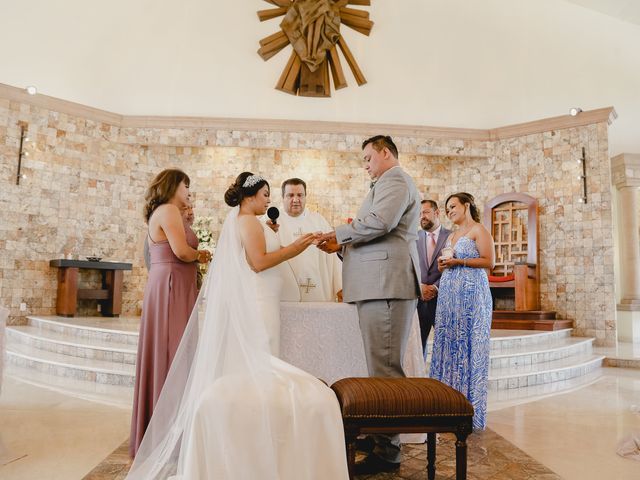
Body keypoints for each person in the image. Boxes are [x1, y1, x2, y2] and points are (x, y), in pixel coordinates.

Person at [125, 172, 349, 480]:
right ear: (251, 196)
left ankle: (260, 434)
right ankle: (256, 439)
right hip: (258, 303)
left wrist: (275, 234)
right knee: (258, 370)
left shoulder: (253, 222)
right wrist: (297, 246)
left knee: (261, 371)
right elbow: (258, 262)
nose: (270, 200)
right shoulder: (246, 222)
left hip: (266, 300)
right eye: (266, 194)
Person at [317, 135, 421, 474]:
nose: (365, 166)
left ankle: (387, 452)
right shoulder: (384, 182)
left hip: (386, 285)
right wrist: (341, 247)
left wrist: (338, 235)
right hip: (376, 285)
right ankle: (380, 435)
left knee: (386, 371)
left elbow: (380, 223)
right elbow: (375, 232)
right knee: (379, 367)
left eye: (368, 158)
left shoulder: (396, 180)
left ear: (386, 153)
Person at [129, 169, 211, 458]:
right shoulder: (167, 210)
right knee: (173, 353)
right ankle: (168, 433)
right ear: (172, 186)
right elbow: (182, 252)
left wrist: (188, 223)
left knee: (176, 353)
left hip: (175, 285)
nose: (188, 189)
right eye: (185, 184)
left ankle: (169, 426)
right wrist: (205, 255)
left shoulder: (172, 212)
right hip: (171, 287)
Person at [429, 192, 494, 431]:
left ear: (466, 206)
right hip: (449, 296)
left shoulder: (478, 230)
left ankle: (470, 411)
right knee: (449, 345)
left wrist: (460, 262)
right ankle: (446, 407)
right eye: (447, 209)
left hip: (472, 294)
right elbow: (448, 262)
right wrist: (443, 265)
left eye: (453, 206)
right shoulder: (452, 236)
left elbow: (489, 261)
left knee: (469, 346)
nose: (450, 211)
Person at [275, 178, 342, 302]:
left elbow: (334, 260)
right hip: (284, 293)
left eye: (300, 195)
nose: (295, 200)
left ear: (306, 196)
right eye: (290, 195)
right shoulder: (273, 223)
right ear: (282, 197)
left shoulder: (319, 221)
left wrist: (340, 287)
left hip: (318, 290)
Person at [416, 199, 451, 353]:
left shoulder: (451, 236)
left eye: (425, 212)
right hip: (418, 299)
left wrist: (436, 287)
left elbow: (452, 269)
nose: (421, 216)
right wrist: (420, 287)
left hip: (443, 300)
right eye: (419, 214)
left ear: (437, 213)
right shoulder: (413, 237)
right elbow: (408, 267)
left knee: (445, 345)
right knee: (418, 346)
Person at [144, 202, 197, 272]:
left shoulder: (184, 233)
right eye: (185, 209)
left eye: (191, 208)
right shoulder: (157, 237)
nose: (190, 213)